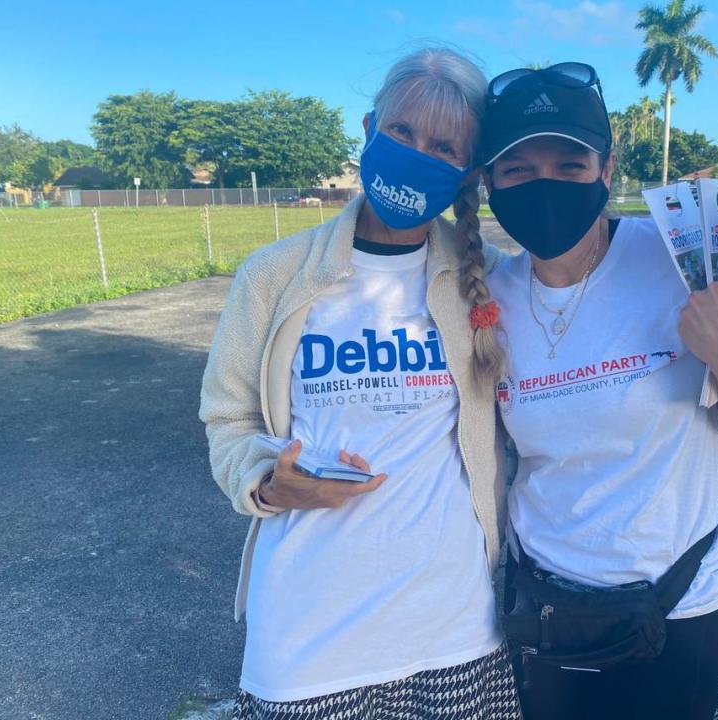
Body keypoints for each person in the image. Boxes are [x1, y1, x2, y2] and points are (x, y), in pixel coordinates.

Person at [199, 47, 520, 720]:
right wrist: (265, 481)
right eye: (401, 132)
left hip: (455, 628)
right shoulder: (274, 274)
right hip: (306, 638)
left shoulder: (485, 280)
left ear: (466, 172)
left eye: (443, 145)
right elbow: (227, 419)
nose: (415, 152)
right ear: (370, 128)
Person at [480, 63, 718, 720]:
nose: (543, 184)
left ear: (606, 168)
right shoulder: (487, 294)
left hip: (680, 607)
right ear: (489, 180)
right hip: (547, 610)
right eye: (516, 169)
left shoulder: (684, 261)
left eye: (569, 165)